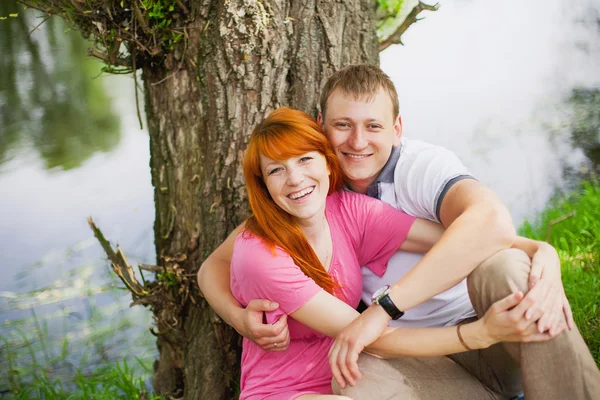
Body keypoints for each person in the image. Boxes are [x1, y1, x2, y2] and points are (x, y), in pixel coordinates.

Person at [199, 65, 600, 399]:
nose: (357, 141)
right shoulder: (290, 221)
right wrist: (238, 317)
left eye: (373, 125)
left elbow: (488, 228)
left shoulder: (381, 190)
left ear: (396, 128)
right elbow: (212, 266)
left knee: (508, 266)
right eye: (342, 125)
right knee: (357, 375)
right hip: (394, 361)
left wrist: (542, 252)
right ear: (323, 129)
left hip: (477, 331)